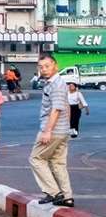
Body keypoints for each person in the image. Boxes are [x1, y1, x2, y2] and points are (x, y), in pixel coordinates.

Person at [31, 55, 75, 206]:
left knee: (36, 159)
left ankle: (54, 192)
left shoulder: (56, 85)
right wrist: (67, 128)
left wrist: (47, 131)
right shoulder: (57, 84)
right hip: (62, 131)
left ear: (55, 66)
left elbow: (56, 109)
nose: (43, 69)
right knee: (58, 163)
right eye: (41, 67)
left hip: (53, 130)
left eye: (47, 66)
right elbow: (67, 107)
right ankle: (68, 197)